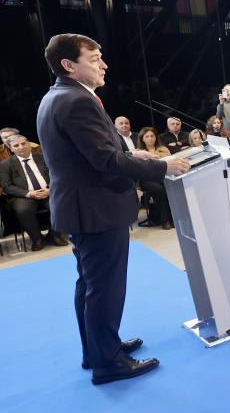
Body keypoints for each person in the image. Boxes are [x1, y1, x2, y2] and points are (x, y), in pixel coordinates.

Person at [36, 33, 190, 385]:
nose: (103, 65)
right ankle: (108, 363)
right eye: (94, 59)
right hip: (96, 209)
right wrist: (161, 166)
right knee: (104, 288)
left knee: (90, 284)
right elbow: (104, 160)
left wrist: (132, 153)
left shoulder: (59, 95)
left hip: (82, 207)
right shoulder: (77, 101)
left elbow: (88, 152)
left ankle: (98, 350)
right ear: (68, 65)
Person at [0, 134, 69, 250]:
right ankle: (37, 239)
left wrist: (50, 189)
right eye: (16, 145)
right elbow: (7, 187)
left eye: (23, 143)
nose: (21, 147)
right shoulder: (5, 165)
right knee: (23, 210)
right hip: (23, 196)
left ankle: (54, 235)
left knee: (62, 203)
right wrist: (29, 193)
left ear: (29, 144)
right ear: (11, 148)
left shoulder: (44, 157)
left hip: (48, 192)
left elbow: (57, 175)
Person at [136, 127, 174, 229]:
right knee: (160, 189)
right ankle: (165, 220)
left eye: (152, 136)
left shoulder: (163, 149)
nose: (150, 138)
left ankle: (174, 217)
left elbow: (171, 163)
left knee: (170, 187)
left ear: (156, 137)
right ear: (142, 139)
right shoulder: (138, 152)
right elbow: (138, 169)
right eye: (147, 136)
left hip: (163, 176)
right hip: (147, 179)